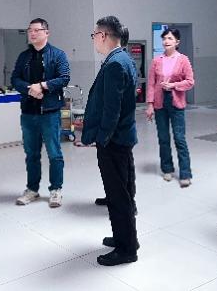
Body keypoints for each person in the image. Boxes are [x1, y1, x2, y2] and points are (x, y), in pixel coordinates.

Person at [82, 15, 139, 266]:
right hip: (123, 137)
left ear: (103, 35)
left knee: (118, 196)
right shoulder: (124, 58)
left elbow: (111, 110)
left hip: (114, 141)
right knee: (123, 192)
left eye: (94, 35)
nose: (94, 39)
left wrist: (101, 138)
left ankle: (126, 249)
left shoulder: (115, 63)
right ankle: (125, 238)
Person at [11, 18, 70, 208]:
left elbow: (64, 78)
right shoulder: (24, 56)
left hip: (50, 113)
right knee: (31, 154)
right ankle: (32, 189)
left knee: (54, 153)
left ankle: (56, 190)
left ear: (47, 32)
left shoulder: (58, 55)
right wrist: (30, 89)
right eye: (30, 30)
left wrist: (43, 86)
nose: (32, 33)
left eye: (37, 30)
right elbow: (14, 79)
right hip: (29, 112)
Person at [146, 28, 195, 186]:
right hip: (159, 103)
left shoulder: (183, 60)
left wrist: (173, 85)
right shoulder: (156, 61)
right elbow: (151, 84)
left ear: (177, 42)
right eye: (164, 38)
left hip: (176, 102)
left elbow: (190, 81)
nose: (166, 41)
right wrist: (150, 105)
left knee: (179, 138)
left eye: (170, 38)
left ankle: (185, 173)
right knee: (163, 138)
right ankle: (167, 169)